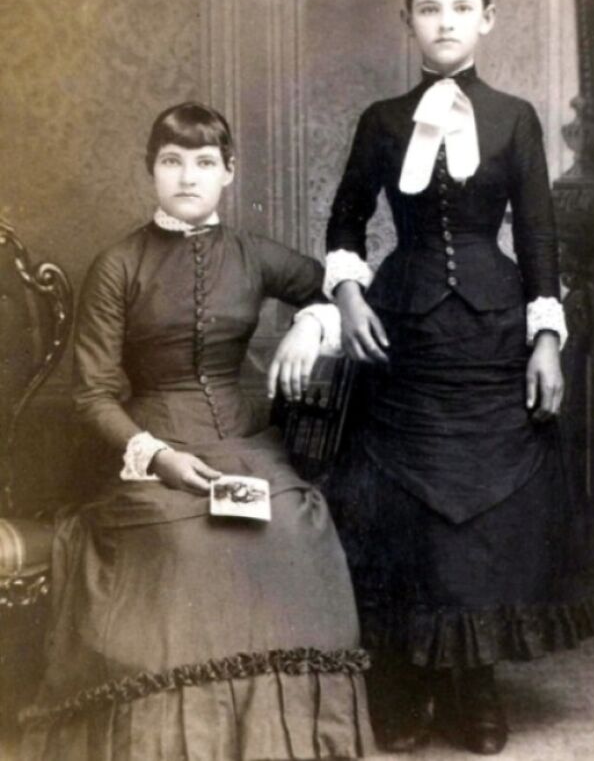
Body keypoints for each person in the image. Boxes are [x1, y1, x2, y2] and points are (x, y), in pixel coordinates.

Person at [20, 102, 373, 761]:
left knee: (293, 526)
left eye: (204, 162)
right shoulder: (118, 264)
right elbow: (92, 392)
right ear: (151, 170)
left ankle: (275, 741)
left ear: (228, 171)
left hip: (247, 443)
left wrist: (312, 323)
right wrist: (160, 459)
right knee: (184, 541)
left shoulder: (252, 253)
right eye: (172, 161)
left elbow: (340, 289)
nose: (188, 177)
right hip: (150, 448)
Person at [319, 0, 594, 755]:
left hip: (493, 337)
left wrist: (544, 338)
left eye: (460, 6)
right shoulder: (382, 121)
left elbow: (539, 235)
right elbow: (345, 221)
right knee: (406, 510)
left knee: (485, 516)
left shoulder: (514, 117)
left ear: (488, 19)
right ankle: (407, 677)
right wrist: (348, 297)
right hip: (403, 336)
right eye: (428, 7)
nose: (444, 20)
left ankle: (472, 680)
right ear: (406, 20)